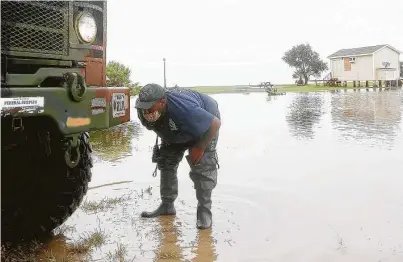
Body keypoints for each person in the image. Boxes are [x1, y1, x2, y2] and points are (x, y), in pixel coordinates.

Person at [135, 83, 221, 229]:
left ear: (162, 102)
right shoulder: (143, 110)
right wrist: (168, 140)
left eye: (150, 108)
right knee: (166, 160)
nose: (146, 112)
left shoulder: (186, 110)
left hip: (205, 126)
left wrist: (199, 147)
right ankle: (167, 206)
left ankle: (204, 213)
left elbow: (215, 123)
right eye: (143, 108)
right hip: (175, 125)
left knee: (202, 166)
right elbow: (159, 126)